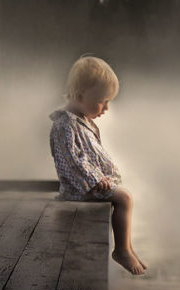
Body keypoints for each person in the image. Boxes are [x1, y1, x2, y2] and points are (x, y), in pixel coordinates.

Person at [49, 54, 147, 275]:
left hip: (90, 184)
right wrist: (94, 180)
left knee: (125, 195)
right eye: (102, 101)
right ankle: (121, 250)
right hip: (79, 188)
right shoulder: (64, 126)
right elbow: (71, 162)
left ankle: (128, 247)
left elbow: (91, 156)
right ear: (80, 95)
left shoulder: (81, 121)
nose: (106, 108)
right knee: (124, 198)